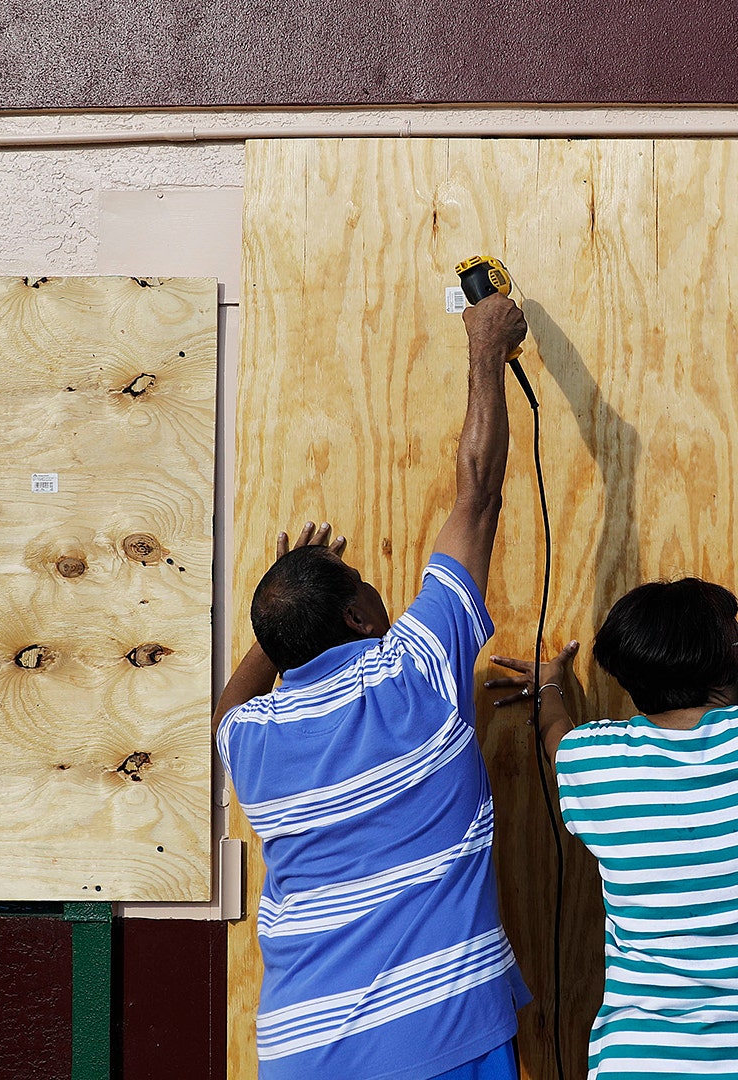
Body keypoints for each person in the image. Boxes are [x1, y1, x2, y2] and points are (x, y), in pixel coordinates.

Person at [212, 294, 531, 1080]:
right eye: (362, 586)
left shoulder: (250, 741)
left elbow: (229, 704)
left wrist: (281, 612)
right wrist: (485, 348)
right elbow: (477, 494)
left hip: (301, 1051)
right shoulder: (418, 670)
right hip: (440, 1035)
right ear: (359, 613)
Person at [486, 545, 738, 1079]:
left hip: (648, 1062)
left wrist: (552, 682)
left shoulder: (595, 763)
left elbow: (556, 733)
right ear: (724, 661)